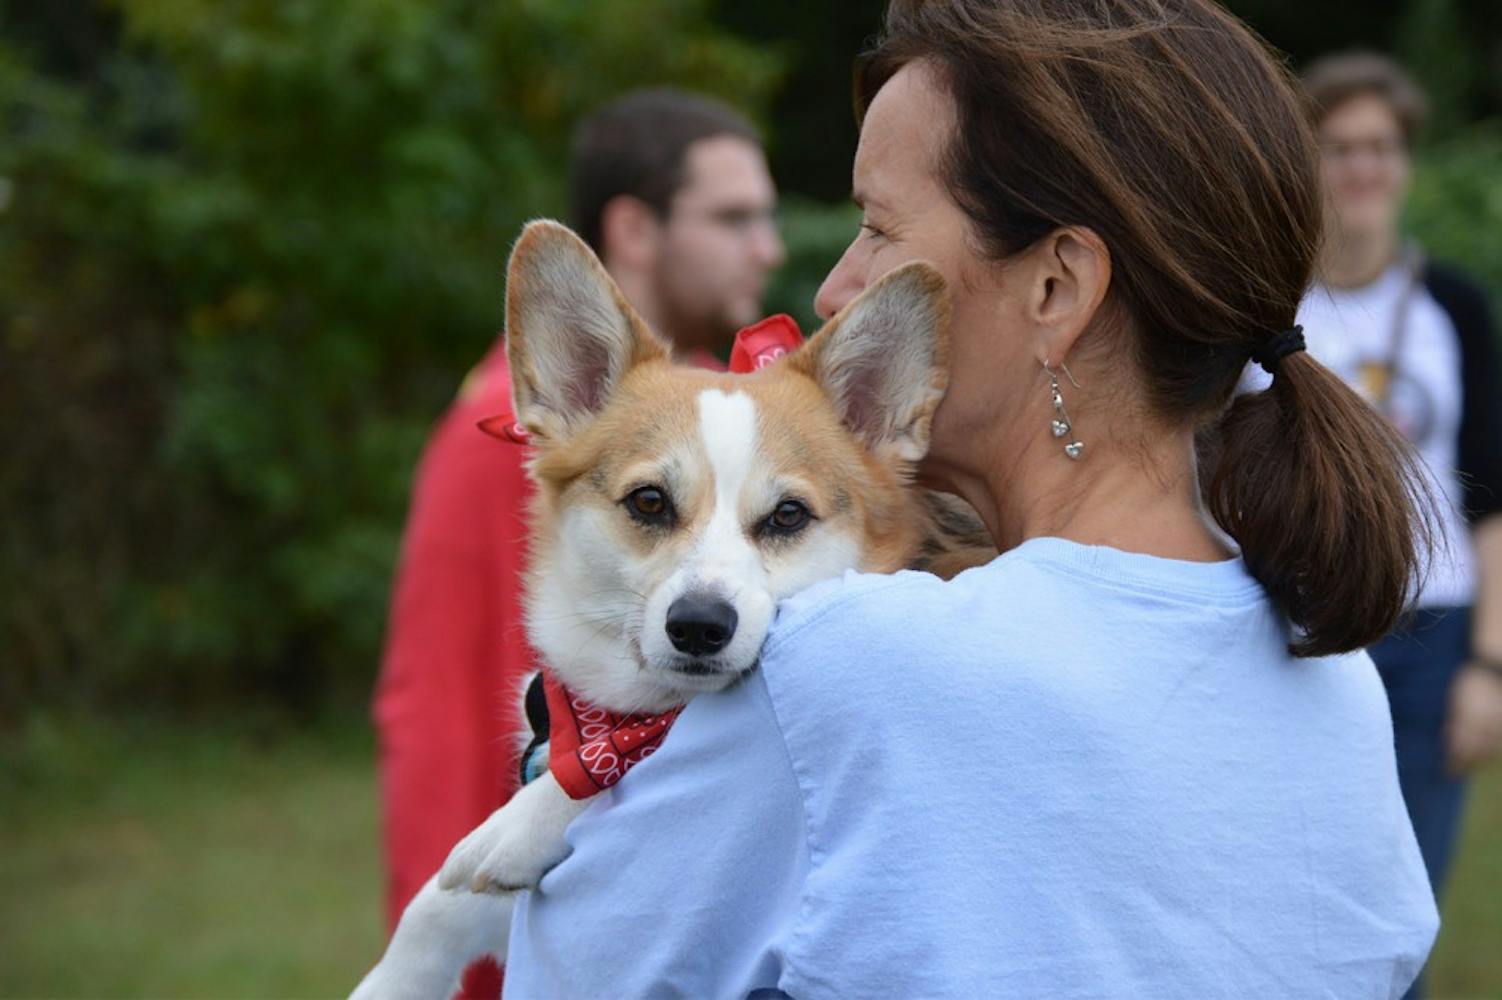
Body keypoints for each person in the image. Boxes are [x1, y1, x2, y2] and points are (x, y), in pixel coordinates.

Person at [498, 2, 1440, 995]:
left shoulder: (840, 668)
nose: (834, 288)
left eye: (876, 228)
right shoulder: (1337, 683)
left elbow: (564, 973)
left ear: (1055, 289)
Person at [370, 87, 783, 975]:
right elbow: (440, 702)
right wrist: (440, 945)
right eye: (733, 218)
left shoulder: (737, 417)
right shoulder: (508, 437)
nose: (768, 248)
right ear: (635, 229)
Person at [1285, 51, 1502, 994]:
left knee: (1402, 912)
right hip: (1302, 631)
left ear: (1405, 161)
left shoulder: (1454, 306)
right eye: (1340, 147)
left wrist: (1490, 666)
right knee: (1294, 898)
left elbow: (1491, 499)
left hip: (1431, 637)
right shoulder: (1268, 306)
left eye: (1381, 146)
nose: (1363, 167)